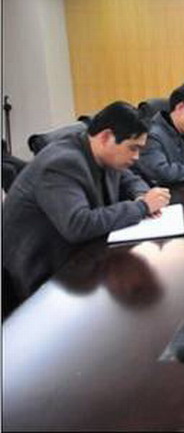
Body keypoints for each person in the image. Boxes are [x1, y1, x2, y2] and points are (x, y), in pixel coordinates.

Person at [2, 101, 171, 302]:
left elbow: (130, 179)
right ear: (106, 137)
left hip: (82, 255)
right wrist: (142, 207)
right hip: (46, 276)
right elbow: (78, 224)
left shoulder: (102, 152)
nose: (136, 157)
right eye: (133, 148)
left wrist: (141, 195)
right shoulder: (62, 163)